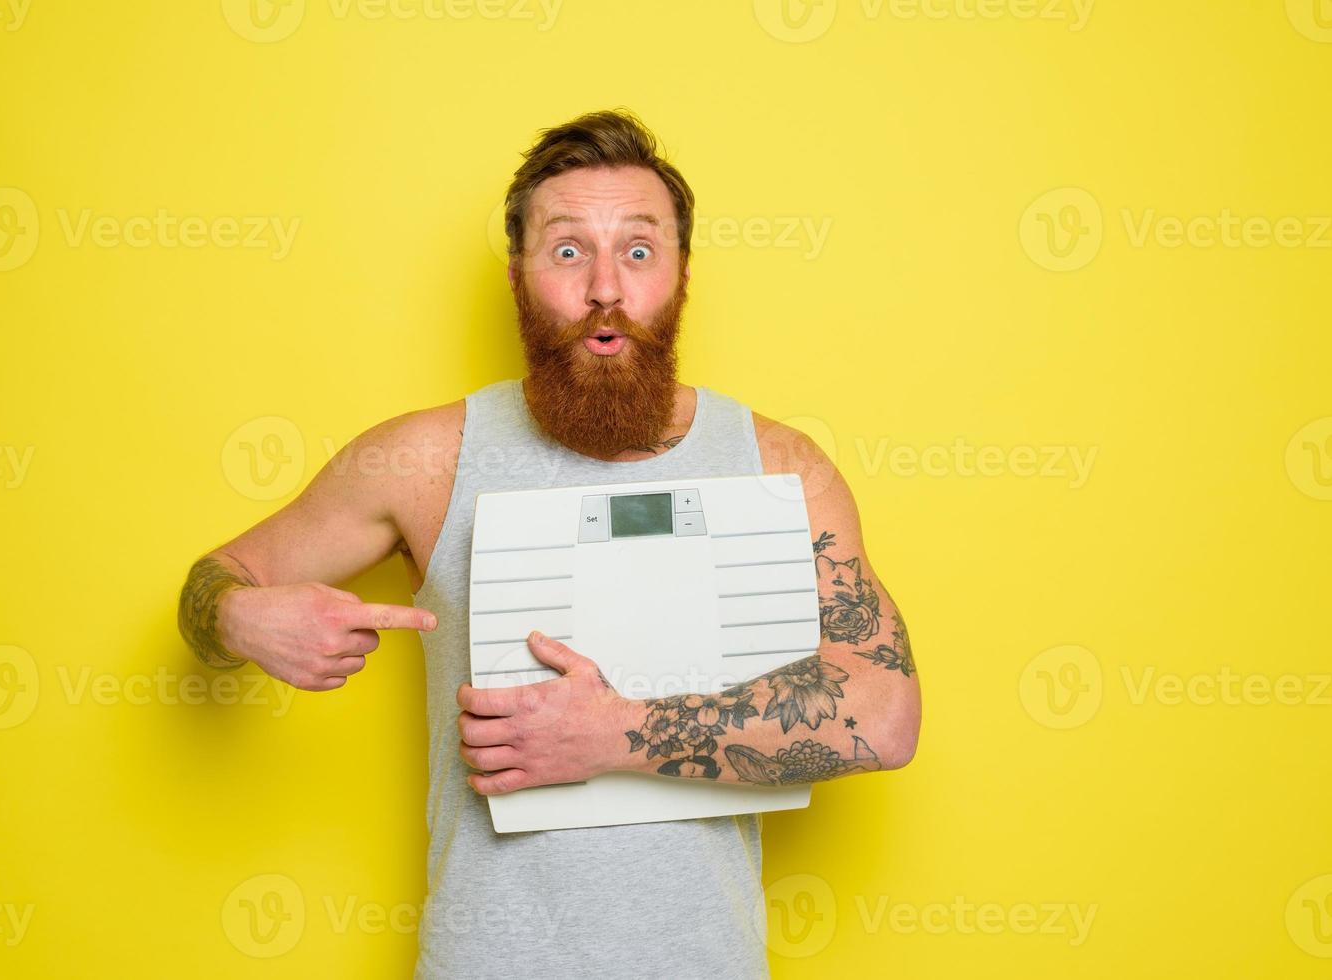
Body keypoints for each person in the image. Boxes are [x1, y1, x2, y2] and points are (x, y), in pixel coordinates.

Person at [177, 108, 922, 978]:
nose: (604, 287)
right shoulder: (423, 459)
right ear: (518, 276)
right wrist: (238, 621)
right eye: (568, 251)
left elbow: (885, 715)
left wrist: (619, 733)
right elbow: (218, 581)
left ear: (680, 274)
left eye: (638, 251)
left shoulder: (779, 466)